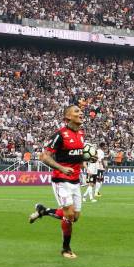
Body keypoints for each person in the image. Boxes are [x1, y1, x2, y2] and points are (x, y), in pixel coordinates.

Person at [28, 105, 93, 258]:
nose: (80, 113)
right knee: (69, 216)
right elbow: (44, 156)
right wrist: (61, 168)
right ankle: (66, 249)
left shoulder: (81, 134)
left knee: (75, 217)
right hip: (61, 180)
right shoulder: (60, 135)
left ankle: (43, 211)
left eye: (80, 111)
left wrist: (83, 163)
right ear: (68, 117)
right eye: (76, 111)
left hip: (75, 180)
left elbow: (75, 155)